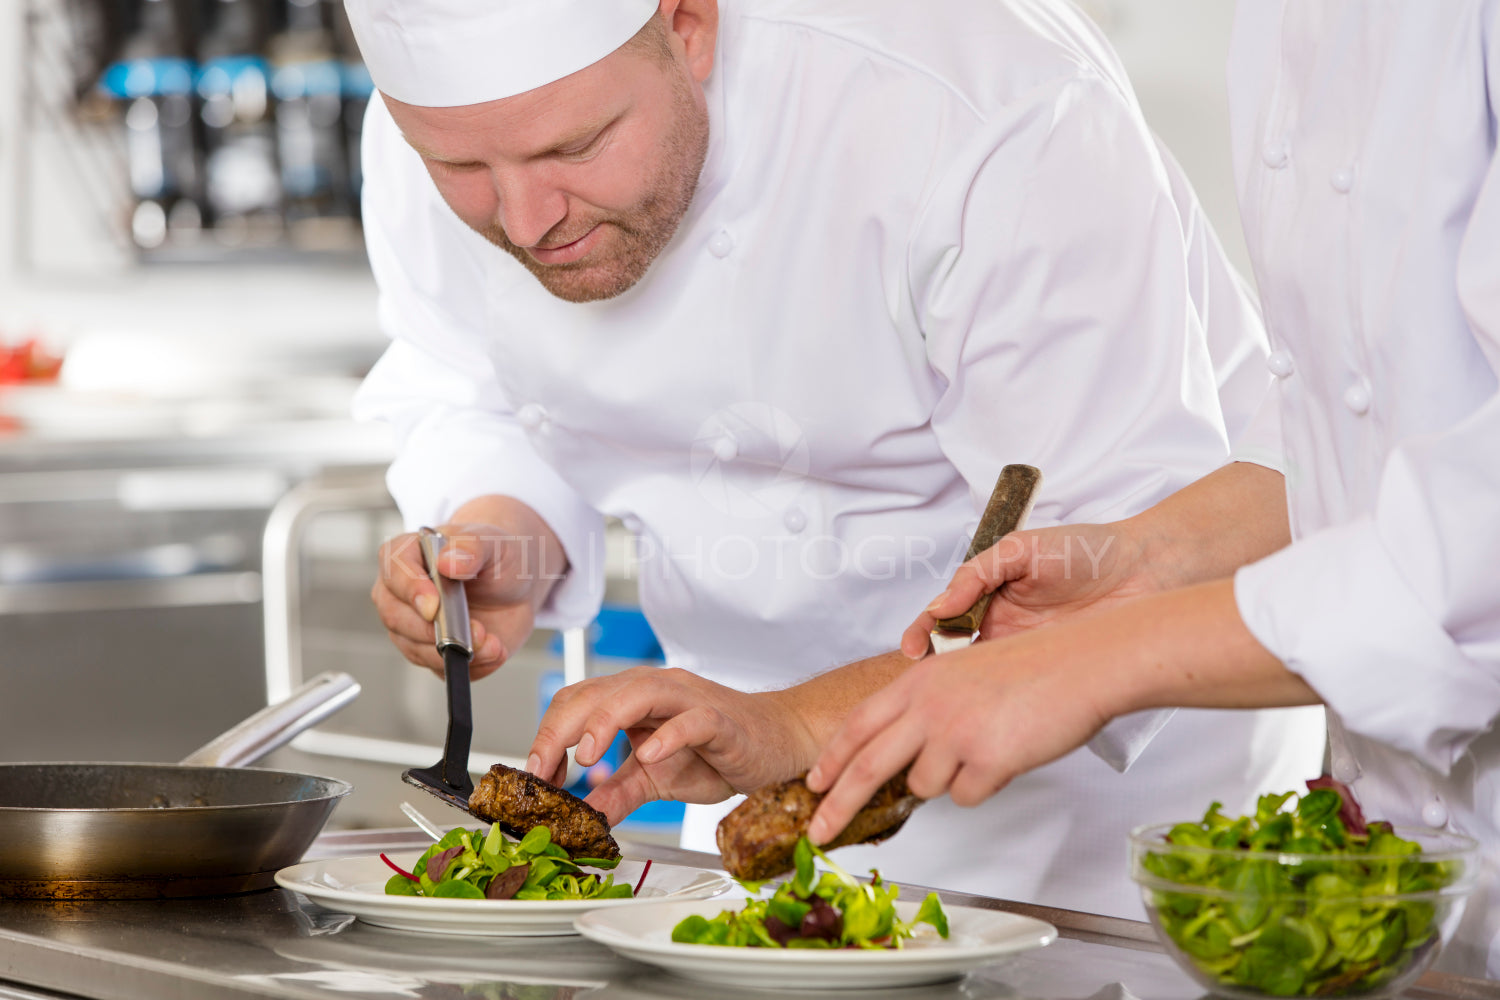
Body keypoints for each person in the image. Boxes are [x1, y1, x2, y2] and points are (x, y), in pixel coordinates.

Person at [347, 0, 1324, 918]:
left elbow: (1099, 569)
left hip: (1096, 824)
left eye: (575, 145)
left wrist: (798, 721)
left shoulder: (980, 102)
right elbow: (474, 380)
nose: (524, 220)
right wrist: (499, 535)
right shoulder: (445, 124)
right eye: (459, 166)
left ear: (688, 23)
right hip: (743, 785)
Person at [797, 0, 1500, 976]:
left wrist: (1097, 659)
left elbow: (1478, 546)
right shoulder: (1281, 28)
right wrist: (1146, 560)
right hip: (1409, 893)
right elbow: (1350, 432)